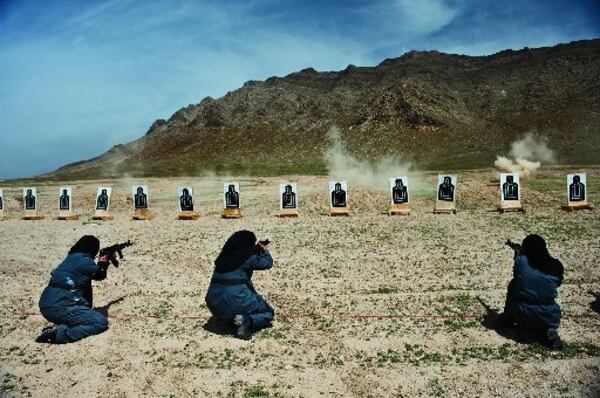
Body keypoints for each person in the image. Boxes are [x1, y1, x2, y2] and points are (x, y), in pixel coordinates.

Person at [36, 236, 114, 344]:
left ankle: (59, 327)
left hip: (48, 303)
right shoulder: (83, 260)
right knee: (100, 322)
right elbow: (100, 274)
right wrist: (103, 262)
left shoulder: (71, 258)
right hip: (59, 306)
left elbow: (87, 278)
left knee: (85, 284)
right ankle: (60, 334)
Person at [205, 230, 274, 340]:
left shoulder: (221, 258)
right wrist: (264, 250)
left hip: (214, 304)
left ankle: (235, 319)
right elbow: (268, 263)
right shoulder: (248, 258)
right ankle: (247, 321)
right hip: (237, 300)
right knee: (268, 312)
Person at [499, 234, 564, 349]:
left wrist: (517, 253)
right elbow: (556, 284)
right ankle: (548, 331)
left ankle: (508, 318)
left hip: (522, 313)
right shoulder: (556, 265)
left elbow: (519, 276)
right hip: (549, 315)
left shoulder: (521, 261)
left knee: (513, 285)